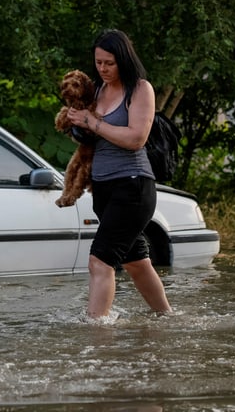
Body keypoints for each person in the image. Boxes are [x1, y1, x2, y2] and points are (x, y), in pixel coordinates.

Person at [66, 29, 172, 319]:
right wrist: (78, 125)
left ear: (123, 59)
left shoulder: (140, 89)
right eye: (98, 62)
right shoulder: (98, 90)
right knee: (137, 262)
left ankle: (96, 333)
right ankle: (168, 319)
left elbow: (136, 138)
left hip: (133, 187)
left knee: (99, 261)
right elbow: (96, 138)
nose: (102, 69)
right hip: (103, 188)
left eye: (109, 63)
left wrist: (92, 122)